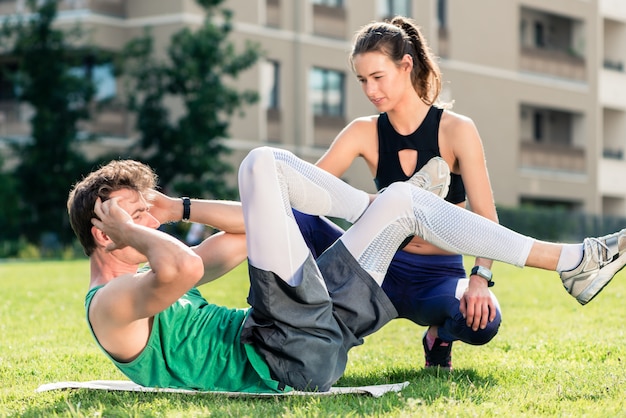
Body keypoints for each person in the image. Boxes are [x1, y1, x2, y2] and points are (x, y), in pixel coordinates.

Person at [67, 146, 626, 393]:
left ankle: (570, 261)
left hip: (312, 333)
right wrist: (136, 229)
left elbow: (255, 226)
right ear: (103, 232)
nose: (151, 225)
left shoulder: (150, 277)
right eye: (133, 216)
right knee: (259, 163)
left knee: (403, 202)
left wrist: (175, 208)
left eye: (147, 215)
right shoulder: (111, 305)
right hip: (281, 353)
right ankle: (381, 212)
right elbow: (185, 266)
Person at [295, 15, 516, 369]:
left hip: (439, 276)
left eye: (378, 77)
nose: (370, 90)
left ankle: (439, 337)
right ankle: (284, 319)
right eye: (362, 80)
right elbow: (302, 190)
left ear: (406, 66)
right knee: (295, 214)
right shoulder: (362, 132)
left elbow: (487, 219)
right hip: (376, 269)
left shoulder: (456, 130)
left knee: (483, 322)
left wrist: (479, 279)